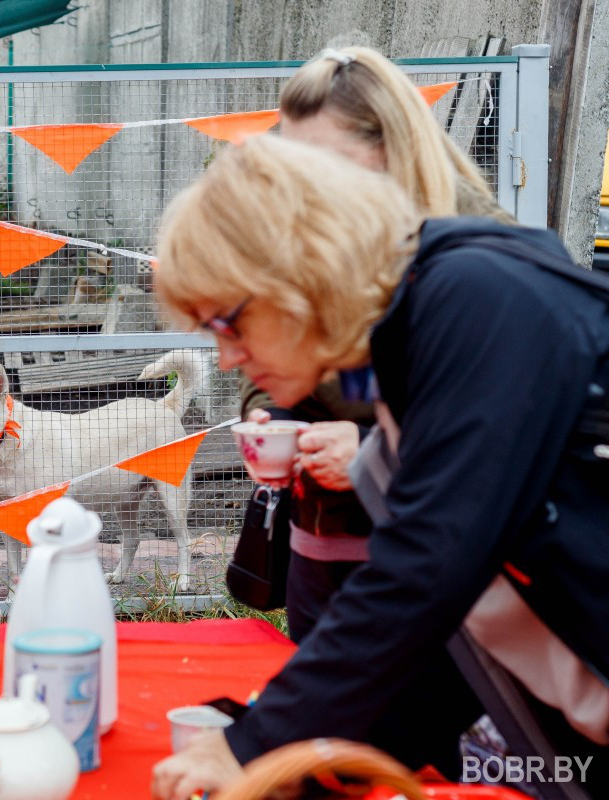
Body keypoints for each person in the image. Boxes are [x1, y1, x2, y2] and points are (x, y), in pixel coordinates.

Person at [150, 134, 609, 799]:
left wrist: (258, 744)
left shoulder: (474, 299)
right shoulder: (417, 342)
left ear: (298, 270)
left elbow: (424, 569)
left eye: (227, 323)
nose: (224, 359)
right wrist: (301, 765)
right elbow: (454, 627)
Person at [245, 46, 515, 646]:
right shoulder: (308, 232)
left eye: (328, 167)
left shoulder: (480, 258)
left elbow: (500, 428)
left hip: (432, 554)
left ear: (393, 148)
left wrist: (369, 449)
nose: (308, 190)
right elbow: (270, 361)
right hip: (320, 540)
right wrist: (272, 417)